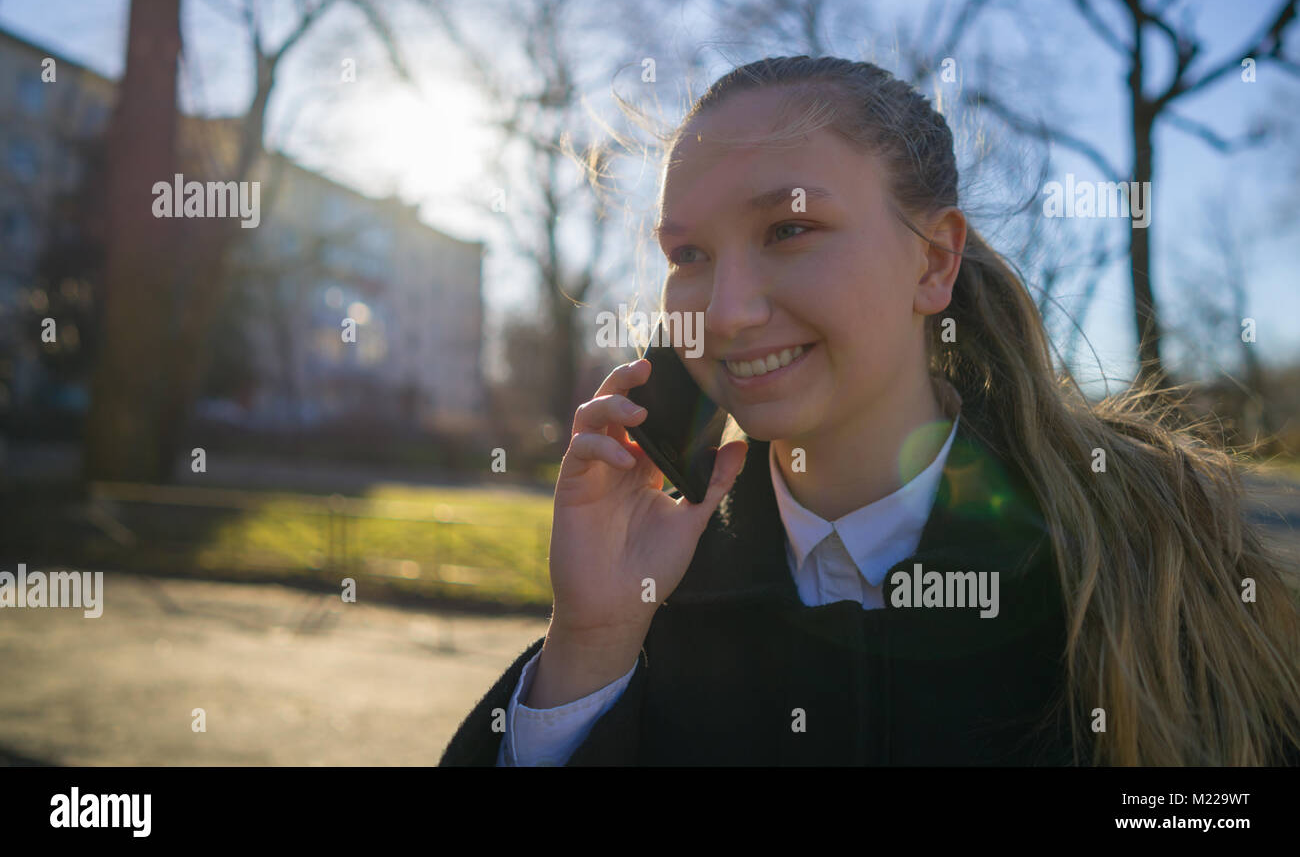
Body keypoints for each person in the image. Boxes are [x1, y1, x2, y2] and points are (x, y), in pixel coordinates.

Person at [439, 56, 1300, 766]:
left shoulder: (1153, 559)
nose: (728, 309)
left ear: (934, 263)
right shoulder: (653, 592)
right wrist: (590, 645)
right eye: (689, 253)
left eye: (788, 229)